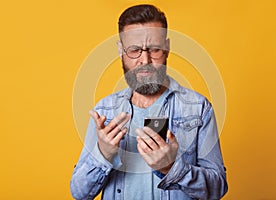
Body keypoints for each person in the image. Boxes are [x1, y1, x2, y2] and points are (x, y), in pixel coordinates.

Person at [71, 4, 228, 200]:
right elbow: (79, 193)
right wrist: (102, 154)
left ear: (167, 48)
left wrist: (171, 168)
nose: (144, 60)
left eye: (154, 49)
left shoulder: (198, 108)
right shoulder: (105, 111)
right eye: (134, 50)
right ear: (121, 50)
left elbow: (217, 189)